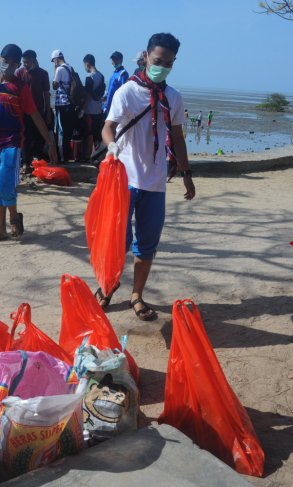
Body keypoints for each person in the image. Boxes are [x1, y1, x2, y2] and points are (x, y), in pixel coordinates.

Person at [100, 32, 196, 321]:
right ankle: (107, 287)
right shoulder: (127, 92)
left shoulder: (174, 97)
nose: (161, 67)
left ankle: (137, 295)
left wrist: (187, 174)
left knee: (147, 244)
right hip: (124, 180)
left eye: (168, 63)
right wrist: (112, 145)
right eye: (157, 60)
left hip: (155, 184)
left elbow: (178, 137)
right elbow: (108, 127)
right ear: (145, 56)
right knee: (117, 242)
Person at [0, 44, 58, 244]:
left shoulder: (20, 88)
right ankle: (1, 231)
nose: (6, 65)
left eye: (12, 63)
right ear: (0, 58)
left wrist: (49, 141)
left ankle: (14, 217)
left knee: (5, 184)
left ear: (16, 66)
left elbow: (34, 114)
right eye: (5, 60)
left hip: (12, 142)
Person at [16, 49, 52, 167]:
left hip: (39, 110)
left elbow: (46, 93)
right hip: (24, 111)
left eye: (27, 62)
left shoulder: (43, 74)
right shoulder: (19, 73)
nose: (25, 64)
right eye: (23, 62)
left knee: (39, 137)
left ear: (33, 61)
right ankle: (26, 162)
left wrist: (48, 111)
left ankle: (38, 160)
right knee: (26, 137)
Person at [51, 49, 78, 163]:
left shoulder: (60, 69)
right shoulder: (70, 67)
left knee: (61, 130)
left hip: (62, 104)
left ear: (56, 59)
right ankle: (66, 156)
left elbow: (54, 86)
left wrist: (55, 70)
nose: (53, 63)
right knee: (68, 131)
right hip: (70, 103)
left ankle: (62, 157)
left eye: (53, 61)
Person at [81, 54, 105, 156]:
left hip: (89, 111)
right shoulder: (101, 75)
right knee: (97, 135)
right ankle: (98, 155)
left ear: (87, 63)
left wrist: (82, 109)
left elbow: (87, 95)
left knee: (89, 134)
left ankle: (88, 156)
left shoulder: (89, 77)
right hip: (99, 110)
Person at [103, 51, 129, 117]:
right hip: (109, 104)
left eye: (115, 59)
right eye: (112, 59)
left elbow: (124, 92)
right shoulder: (114, 73)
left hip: (116, 106)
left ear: (121, 60)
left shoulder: (123, 73)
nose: (113, 61)